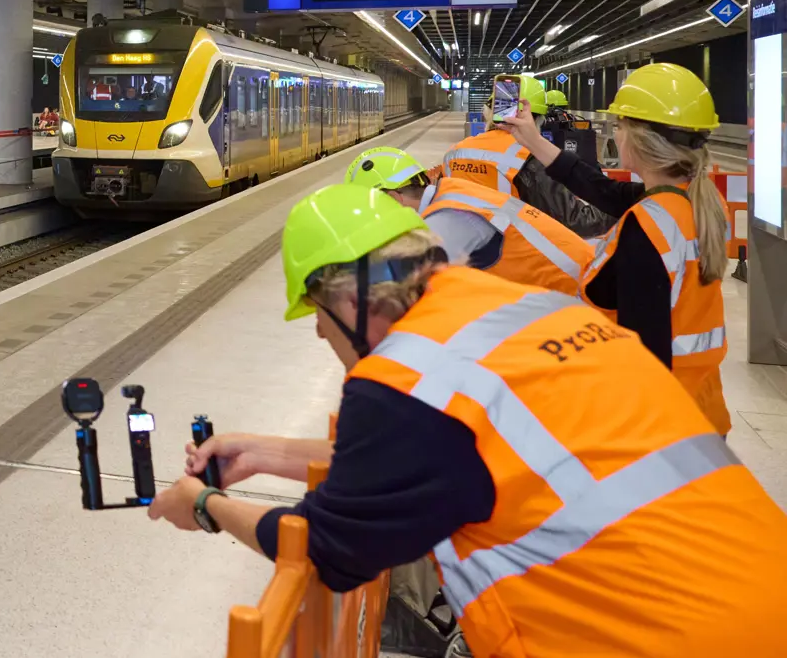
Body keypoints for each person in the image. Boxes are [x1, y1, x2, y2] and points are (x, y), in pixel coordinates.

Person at [146, 183, 787, 658]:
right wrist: (259, 452)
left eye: (314, 309)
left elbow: (333, 550)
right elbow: (456, 459)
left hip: (658, 636)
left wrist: (202, 504)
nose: (317, 330)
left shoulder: (401, 373)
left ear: (347, 296)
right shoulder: (529, 313)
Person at [501, 62, 732, 433]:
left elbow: (643, 354)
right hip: (700, 404)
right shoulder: (697, 202)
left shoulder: (648, 227)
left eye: (620, 125)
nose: (615, 133)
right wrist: (531, 139)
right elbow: (602, 190)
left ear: (639, 139)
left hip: (664, 423)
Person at [347, 146, 593, 296]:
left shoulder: (446, 222)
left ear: (392, 198)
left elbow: (402, 289)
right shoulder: (451, 191)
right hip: (576, 286)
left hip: (582, 301)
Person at [441, 74, 612, 237]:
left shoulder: (455, 152)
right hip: (511, 256)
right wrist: (622, 206)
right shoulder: (527, 157)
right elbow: (576, 221)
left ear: (489, 113)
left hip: (460, 252)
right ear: (536, 120)